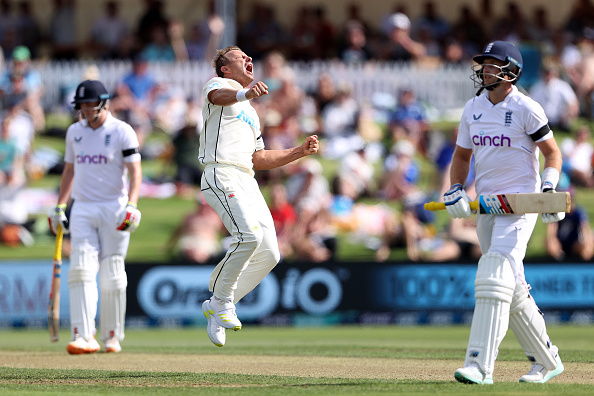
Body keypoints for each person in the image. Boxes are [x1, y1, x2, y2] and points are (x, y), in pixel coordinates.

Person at [444, 41, 565, 384]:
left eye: (493, 64)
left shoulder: (527, 107)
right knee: (510, 286)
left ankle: (480, 366)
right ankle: (546, 360)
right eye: (483, 64)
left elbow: (552, 153)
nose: (485, 70)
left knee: (494, 271)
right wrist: (455, 188)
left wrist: (548, 187)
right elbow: (462, 157)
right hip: (486, 205)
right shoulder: (472, 108)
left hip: (520, 204)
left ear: (511, 70)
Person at [199, 45, 319, 347]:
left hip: (246, 178)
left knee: (271, 252)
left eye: (249, 58)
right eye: (241, 58)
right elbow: (219, 98)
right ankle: (222, 298)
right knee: (249, 236)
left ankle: (218, 304)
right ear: (225, 68)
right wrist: (245, 93)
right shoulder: (220, 86)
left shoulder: (252, 112)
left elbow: (259, 157)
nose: (249, 60)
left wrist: (298, 152)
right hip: (220, 171)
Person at [47, 80, 142, 355]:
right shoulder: (74, 132)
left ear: (104, 102)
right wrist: (60, 206)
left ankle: (112, 336)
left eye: (91, 105)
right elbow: (69, 171)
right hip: (83, 207)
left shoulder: (122, 131)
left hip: (114, 206)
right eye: (83, 106)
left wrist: (132, 205)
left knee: (112, 273)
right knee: (80, 269)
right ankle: (83, 335)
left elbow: (135, 172)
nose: (87, 111)